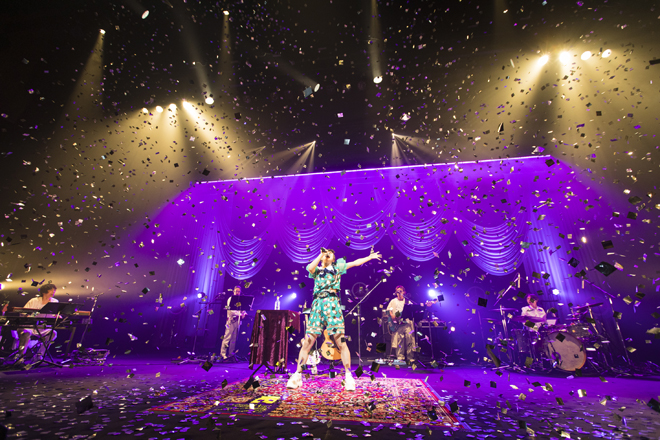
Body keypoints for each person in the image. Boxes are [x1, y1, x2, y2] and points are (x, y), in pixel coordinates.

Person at [287, 247, 382, 391]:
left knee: (341, 341)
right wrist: (320, 255)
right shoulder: (317, 270)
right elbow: (310, 267)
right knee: (307, 342)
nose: (327, 255)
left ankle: (348, 376)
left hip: (332, 304)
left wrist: (369, 257)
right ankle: (297, 375)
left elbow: (355, 263)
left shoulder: (337, 268)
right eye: (326, 253)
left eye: (330, 254)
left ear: (333, 259)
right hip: (317, 305)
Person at [16, 284, 59, 363]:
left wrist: (57, 316)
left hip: (43, 327)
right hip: (30, 326)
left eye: (54, 290)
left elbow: (54, 314)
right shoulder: (33, 300)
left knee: (53, 333)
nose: (54, 292)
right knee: (25, 332)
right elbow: (23, 312)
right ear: (44, 291)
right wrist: (28, 316)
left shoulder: (55, 302)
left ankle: (39, 355)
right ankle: (20, 357)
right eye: (51, 290)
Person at [386, 286, 416, 363]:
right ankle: (400, 357)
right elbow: (388, 310)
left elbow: (412, 310)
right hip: (397, 324)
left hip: (407, 323)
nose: (399, 293)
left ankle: (410, 357)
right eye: (397, 291)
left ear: (404, 292)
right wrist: (392, 315)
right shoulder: (393, 301)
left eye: (401, 291)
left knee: (409, 339)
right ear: (396, 293)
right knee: (400, 340)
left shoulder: (407, 301)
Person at [220, 285, 247, 360]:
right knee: (227, 337)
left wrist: (244, 313)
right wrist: (240, 314)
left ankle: (230, 354)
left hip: (237, 321)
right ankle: (223, 354)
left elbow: (242, 309)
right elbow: (231, 310)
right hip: (230, 321)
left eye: (239, 291)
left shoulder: (240, 300)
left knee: (234, 339)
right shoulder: (230, 299)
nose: (237, 292)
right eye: (236, 291)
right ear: (233, 291)